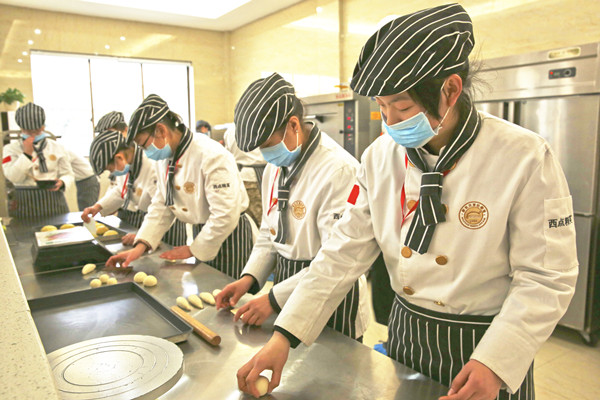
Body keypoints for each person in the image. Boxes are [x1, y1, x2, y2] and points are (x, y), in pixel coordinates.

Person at [235, 4, 578, 400]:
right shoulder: (379, 159)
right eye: (381, 107)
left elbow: (547, 277)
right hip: (407, 334)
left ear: (450, 89)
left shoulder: (523, 156)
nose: (390, 121)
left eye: (402, 107)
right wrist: (284, 336)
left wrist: (497, 361)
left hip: (487, 342)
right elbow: (341, 255)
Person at [215, 73, 370, 339]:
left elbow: (336, 258)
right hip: (286, 281)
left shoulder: (339, 170)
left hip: (331, 289)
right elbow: (270, 231)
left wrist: (274, 300)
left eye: (267, 145)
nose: (266, 154)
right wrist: (249, 278)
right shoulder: (276, 167)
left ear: (294, 125)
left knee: (332, 361)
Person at [106, 94, 254, 279]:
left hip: (230, 236)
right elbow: (162, 203)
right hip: (201, 230)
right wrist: (141, 245)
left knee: (227, 290)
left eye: (144, 145)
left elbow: (225, 213)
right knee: (206, 288)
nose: (145, 151)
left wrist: (194, 249)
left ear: (161, 130)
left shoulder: (211, 154)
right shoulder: (165, 158)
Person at [82, 129, 188, 246]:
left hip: (166, 222)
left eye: (110, 169)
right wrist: (98, 207)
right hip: (149, 218)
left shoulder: (152, 165)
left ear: (119, 158)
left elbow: (163, 207)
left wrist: (144, 235)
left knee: (167, 254)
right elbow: (121, 191)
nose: (111, 172)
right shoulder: (128, 163)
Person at [2, 103, 74, 218]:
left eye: (36, 131)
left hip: (54, 200)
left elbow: (68, 174)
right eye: (28, 131)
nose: (33, 135)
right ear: (21, 129)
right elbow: (13, 177)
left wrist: (62, 182)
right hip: (24, 202)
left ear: (43, 127)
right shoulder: (10, 149)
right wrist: (26, 154)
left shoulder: (57, 147)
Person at [222, 123, 266, 225]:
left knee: (247, 219)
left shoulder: (230, 130)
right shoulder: (258, 125)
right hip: (256, 177)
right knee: (262, 219)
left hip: (239, 176)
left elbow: (228, 154)